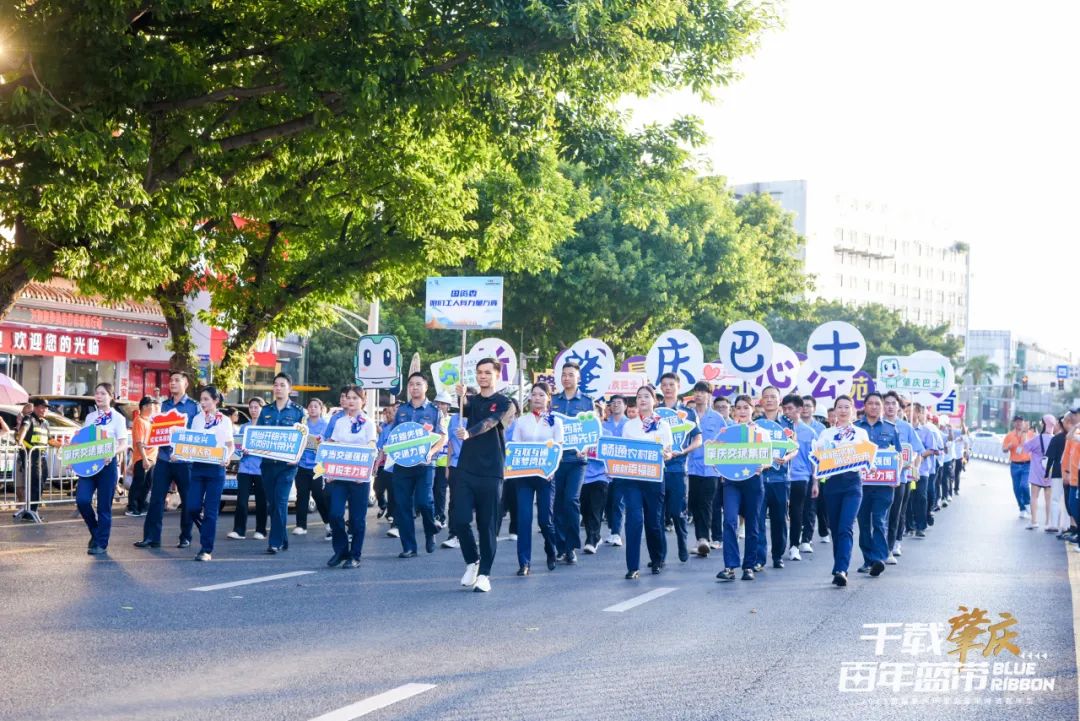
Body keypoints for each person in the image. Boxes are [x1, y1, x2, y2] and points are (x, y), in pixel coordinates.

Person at [453, 359, 515, 593]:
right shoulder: (472, 400)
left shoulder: (505, 403)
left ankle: (485, 574)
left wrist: (469, 433)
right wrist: (460, 397)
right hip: (466, 468)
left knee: (487, 525)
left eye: (488, 372)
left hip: (491, 471)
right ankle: (472, 561)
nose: (482, 376)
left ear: (497, 375)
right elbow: (464, 407)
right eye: (479, 372)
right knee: (459, 520)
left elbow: (490, 422)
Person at [136, 371, 199, 549]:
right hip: (163, 458)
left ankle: (185, 536)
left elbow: (196, 433)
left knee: (187, 500)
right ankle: (151, 537)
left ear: (185, 384)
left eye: (177, 380)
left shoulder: (194, 407)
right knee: (156, 499)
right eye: (171, 380)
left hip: (184, 461)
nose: (172, 383)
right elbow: (155, 429)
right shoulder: (163, 405)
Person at [617, 385, 674, 579]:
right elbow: (623, 451)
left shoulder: (663, 425)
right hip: (633, 479)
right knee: (634, 520)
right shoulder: (629, 425)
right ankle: (632, 566)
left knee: (653, 522)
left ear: (654, 401)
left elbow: (668, 451)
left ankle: (657, 559)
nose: (642, 400)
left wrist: (665, 455)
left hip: (654, 478)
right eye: (639, 397)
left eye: (646, 396)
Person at [389, 372, 446, 558]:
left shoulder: (435, 411)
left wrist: (431, 452)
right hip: (402, 465)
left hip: (425, 464)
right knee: (403, 505)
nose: (414, 387)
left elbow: (442, 437)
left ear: (426, 387)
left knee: (424, 501)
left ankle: (430, 531)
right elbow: (394, 435)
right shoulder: (401, 410)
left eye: (418, 384)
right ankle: (409, 547)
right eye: (411, 384)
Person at [813, 395, 868, 587]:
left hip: (853, 483)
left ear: (852, 410)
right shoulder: (826, 434)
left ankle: (841, 569)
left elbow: (868, 457)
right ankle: (839, 566)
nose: (843, 411)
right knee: (835, 529)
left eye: (847, 407)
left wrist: (870, 465)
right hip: (832, 484)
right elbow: (818, 460)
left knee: (846, 526)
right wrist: (815, 482)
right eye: (840, 407)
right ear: (834, 411)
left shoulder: (861, 433)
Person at [512, 382, 564, 575]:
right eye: (534, 394)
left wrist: (552, 468)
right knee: (524, 519)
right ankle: (524, 562)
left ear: (548, 398)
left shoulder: (555, 422)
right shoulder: (522, 421)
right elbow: (515, 446)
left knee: (545, 520)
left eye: (541, 395)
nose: (537, 398)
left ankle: (551, 549)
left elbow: (558, 448)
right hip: (524, 475)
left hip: (546, 475)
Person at [325, 385, 377, 568]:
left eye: (355, 398)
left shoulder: (368, 423)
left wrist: (364, 471)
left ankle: (355, 556)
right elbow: (332, 445)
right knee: (335, 514)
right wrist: (328, 471)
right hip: (340, 476)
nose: (351, 401)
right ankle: (341, 551)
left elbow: (372, 447)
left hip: (359, 478)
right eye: (348, 397)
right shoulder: (340, 422)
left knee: (357, 519)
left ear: (363, 401)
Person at [715, 395, 765, 581]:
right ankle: (730, 566)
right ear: (734, 410)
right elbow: (717, 455)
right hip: (731, 482)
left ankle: (749, 566)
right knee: (729, 521)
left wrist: (764, 465)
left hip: (753, 481)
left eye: (746, 407)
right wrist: (717, 462)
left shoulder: (761, 432)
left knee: (753, 524)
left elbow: (768, 457)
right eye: (739, 407)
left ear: (752, 409)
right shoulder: (727, 432)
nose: (742, 411)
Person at [184, 385, 235, 561]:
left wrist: (227, 457)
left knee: (211, 511)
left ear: (216, 401)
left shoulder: (225, 421)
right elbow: (190, 442)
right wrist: (180, 453)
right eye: (201, 399)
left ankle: (206, 549)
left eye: (206, 399)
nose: (203, 403)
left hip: (216, 469)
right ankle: (206, 529)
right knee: (192, 507)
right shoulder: (197, 419)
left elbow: (230, 445)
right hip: (198, 468)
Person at [550, 363, 593, 565]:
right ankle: (561, 547)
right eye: (564, 375)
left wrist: (586, 446)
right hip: (557, 460)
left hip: (577, 460)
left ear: (578, 378)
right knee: (557, 503)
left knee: (571, 500)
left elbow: (593, 429)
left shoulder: (587, 402)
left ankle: (572, 545)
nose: (566, 378)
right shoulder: (553, 401)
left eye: (571, 375)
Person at [656, 372, 702, 565]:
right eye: (664, 385)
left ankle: (682, 543)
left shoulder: (688, 413)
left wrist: (684, 451)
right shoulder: (654, 412)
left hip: (677, 468)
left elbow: (698, 439)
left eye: (671, 385)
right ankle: (659, 555)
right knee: (657, 515)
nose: (667, 388)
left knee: (677, 511)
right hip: (656, 469)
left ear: (678, 387)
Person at [78, 384, 129, 555]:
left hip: (107, 466)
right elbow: (83, 441)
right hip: (88, 465)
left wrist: (112, 452)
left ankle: (101, 543)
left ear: (111, 397)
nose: (99, 396)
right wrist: (74, 460)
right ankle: (95, 532)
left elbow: (123, 444)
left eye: (103, 393)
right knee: (82, 500)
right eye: (97, 393)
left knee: (103, 507)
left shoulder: (118, 418)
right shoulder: (90, 417)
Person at [854, 392, 901, 577]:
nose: (874, 407)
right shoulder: (855, 428)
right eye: (870, 403)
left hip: (884, 484)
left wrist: (897, 477)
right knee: (864, 522)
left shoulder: (891, 429)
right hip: (860, 484)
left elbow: (898, 456)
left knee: (879, 520)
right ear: (865, 406)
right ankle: (868, 560)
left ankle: (879, 558)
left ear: (881, 407)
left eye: (877, 404)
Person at [258, 372, 306, 554]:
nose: (278, 388)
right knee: (272, 504)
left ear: (290, 389)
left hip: (287, 466)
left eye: (282, 385)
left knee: (280, 502)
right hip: (267, 464)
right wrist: (250, 447)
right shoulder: (266, 411)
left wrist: (297, 458)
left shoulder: (298, 412)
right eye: (276, 385)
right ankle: (283, 537)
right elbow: (258, 435)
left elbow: (303, 438)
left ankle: (274, 542)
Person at [754, 386, 797, 570]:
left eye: (773, 397)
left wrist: (787, 457)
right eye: (766, 397)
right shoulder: (755, 423)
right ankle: (759, 558)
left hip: (780, 479)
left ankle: (778, 555)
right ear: (761, 401)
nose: (769, 400)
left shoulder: (787, 423)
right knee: (758, 519)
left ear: (779, 400)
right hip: (759, 478)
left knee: (779, 519)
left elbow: (794, 447)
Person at [881, 391, 925, 563]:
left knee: (895, 513)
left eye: (894, 403)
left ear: (899, 407)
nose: (890, 406)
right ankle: (877, 549)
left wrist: (912, 465)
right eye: (887, 403)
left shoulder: (906, 427)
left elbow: (916, 451)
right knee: (878, 515)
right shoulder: (876, 425)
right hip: (878, 478)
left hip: (900, 478)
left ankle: (891, 547)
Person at [688, 381, 725, 557]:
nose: (699, 395)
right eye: (696, 391)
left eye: (702, 392)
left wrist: (723, 469)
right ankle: (701, 539)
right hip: (692, 468)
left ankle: (704, 539)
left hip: (711, 469)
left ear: (709, 395)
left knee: (706, 502)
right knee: (694, 503)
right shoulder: (687, 416)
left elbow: (724, 442)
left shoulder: (717, 418)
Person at [781, 393, 817, 562]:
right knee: (780, 513)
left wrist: (815, 482)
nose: (787, 412)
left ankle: (794, 546)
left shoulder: (809, 432)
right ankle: (780, 545)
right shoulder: (778, 428)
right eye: (784, 409)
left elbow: (814, 460)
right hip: (780, 476)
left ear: (800, 409)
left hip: (800, 477)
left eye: (790, 408)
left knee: (797, 512)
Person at [229, 397, 268, 540]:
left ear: (262, 409)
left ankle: (261, 530)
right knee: (241, 501)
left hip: (261, 469)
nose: (253, 410)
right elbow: (237, 448)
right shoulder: (244, 427)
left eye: (256, 407)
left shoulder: (268, 428)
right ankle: (239, 530)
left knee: (261, 501)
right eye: (251, 407)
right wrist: (241, 451)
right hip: (245, 468)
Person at [440, 386, 474, 550]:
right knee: (454, 501)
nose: (465, 400)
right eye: (463, 397)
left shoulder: (478, 417)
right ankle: (454, 534)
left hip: (473, 466)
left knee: (470, 504)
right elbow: (451, 443)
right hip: (455, 465)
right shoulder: (454, 419)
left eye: (469, 397)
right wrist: (448, 466)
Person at [293, 398, 330, 538]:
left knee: (318, 495)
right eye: (310, 406)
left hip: (318, 466)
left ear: (321, 409)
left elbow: (328, 442)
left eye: (316, 406)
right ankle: (301, 525)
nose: (313, 408)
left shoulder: (325, 425)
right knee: (301, 495)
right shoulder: (302, 424)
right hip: (302, 464)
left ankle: (329, 523)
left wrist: (320, 442)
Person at [800, 395, 829, 549]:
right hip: (798, 473)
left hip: (816, 472)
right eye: (803, 405)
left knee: (813, 506)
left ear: (814, 408)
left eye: (808, 406)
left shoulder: (821, 429)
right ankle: (800, 531)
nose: (805, 408)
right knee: (798, 507)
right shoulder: (793, 426)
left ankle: (807, 538)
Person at [581, 399, 610, 554]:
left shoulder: (607, 435)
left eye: (595, 416)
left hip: (600, 477)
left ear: (601, 417)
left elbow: (612, 457)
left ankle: (591, 539)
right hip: (582, 477)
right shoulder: (580, 436)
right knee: (585, 510)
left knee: (595, 509)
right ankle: (595, 536)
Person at [16, 397, 52, 516]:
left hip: (42, 456)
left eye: (46, 408)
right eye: (42, 407)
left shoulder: (45, 423)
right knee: (35, 483)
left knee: (41, 482)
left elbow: (50, 440)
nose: (44, 410)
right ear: (35, 408)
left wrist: (63, 445)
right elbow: (23, 429)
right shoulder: (29, 418)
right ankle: (31, 512)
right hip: (31, 455)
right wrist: (20, 440)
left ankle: (33, 510)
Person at [602, 395, 629, 547]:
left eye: (619, 403)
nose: (616, 405)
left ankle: (616, 533)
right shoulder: (604, 424)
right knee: (608, 501)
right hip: (605, 470)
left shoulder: (630, 425)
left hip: (622, 469)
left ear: (625, 406)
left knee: (618, 500)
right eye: (613, 403)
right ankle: (612, 528)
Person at [125, 397, 158, 517]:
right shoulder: (139, 421)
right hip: (142, 458)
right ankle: (132, 507)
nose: (153, 408)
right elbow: (139, 442)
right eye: (151, 405)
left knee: (147, 483)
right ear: (144, 407)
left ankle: (140, 505)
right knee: (139, 482)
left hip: (152, 458)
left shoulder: (150, 421)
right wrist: (144, 458)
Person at [1023, 414, 1057, 530]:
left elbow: (1025, 448)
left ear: (1044, 424)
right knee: (1049, 499)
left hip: (1036, 472)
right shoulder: (1055, 439)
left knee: (1034, 497)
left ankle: (1034, 521)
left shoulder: (1037, 438)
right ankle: (1048, 522)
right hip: (1050, 472)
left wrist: (1026, 434)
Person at [432, 390, 456, 528]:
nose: (440, 406)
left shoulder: (451, 420)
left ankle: (440, 517)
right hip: (431, 460)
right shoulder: (431, 418)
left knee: (440, 490)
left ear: (448, 406)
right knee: (431, 490)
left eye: (443, 403)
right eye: (438, 403)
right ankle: (433, 515)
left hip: (444, 461)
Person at [1002, 415, 1034, 518]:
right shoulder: (1009, 435)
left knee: (1024, 485)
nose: (1019, 423)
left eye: (1021, 421)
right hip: (1015, 465)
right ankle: (1022, 508)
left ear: (1024, 422)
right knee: (1016, 489)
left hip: (1026, 464)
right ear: (1014, 423)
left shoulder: (1030, 434)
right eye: (1017, 421)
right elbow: (1003, 449)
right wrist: (1008, 447)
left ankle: (1027, 503)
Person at [1046, 414, 1071, 536]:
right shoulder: (1074, 438)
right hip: (1071, 473)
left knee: (1055, 499)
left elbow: (1050, 458)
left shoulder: (1056, 439)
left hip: (1057, 472)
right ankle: (1067, 525)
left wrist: (1046, 472)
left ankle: (1054, 525)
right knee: (1068, 500)